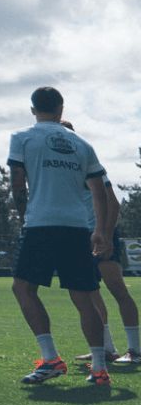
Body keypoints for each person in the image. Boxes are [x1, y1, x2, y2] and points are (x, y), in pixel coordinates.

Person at [9, 88, 111, 386]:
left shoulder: (22, 137)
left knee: (23, 288)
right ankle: (100, 368)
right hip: (77, 227)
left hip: (41, 224)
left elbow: (17, 182)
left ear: (32, 110)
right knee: (83, 296)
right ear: (61, 109)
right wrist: (101, 231)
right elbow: (99, 192)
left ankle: (51, 358)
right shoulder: (82, 143)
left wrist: (23, 215)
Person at [60, 122, 141, 365]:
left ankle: (135, 350)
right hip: (78, 236)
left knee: (117, 288)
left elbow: (113, 203)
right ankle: (106, 348)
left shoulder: (88, 164)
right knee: (91, 293)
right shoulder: (61, 171)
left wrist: (105, 234)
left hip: (100, 233)